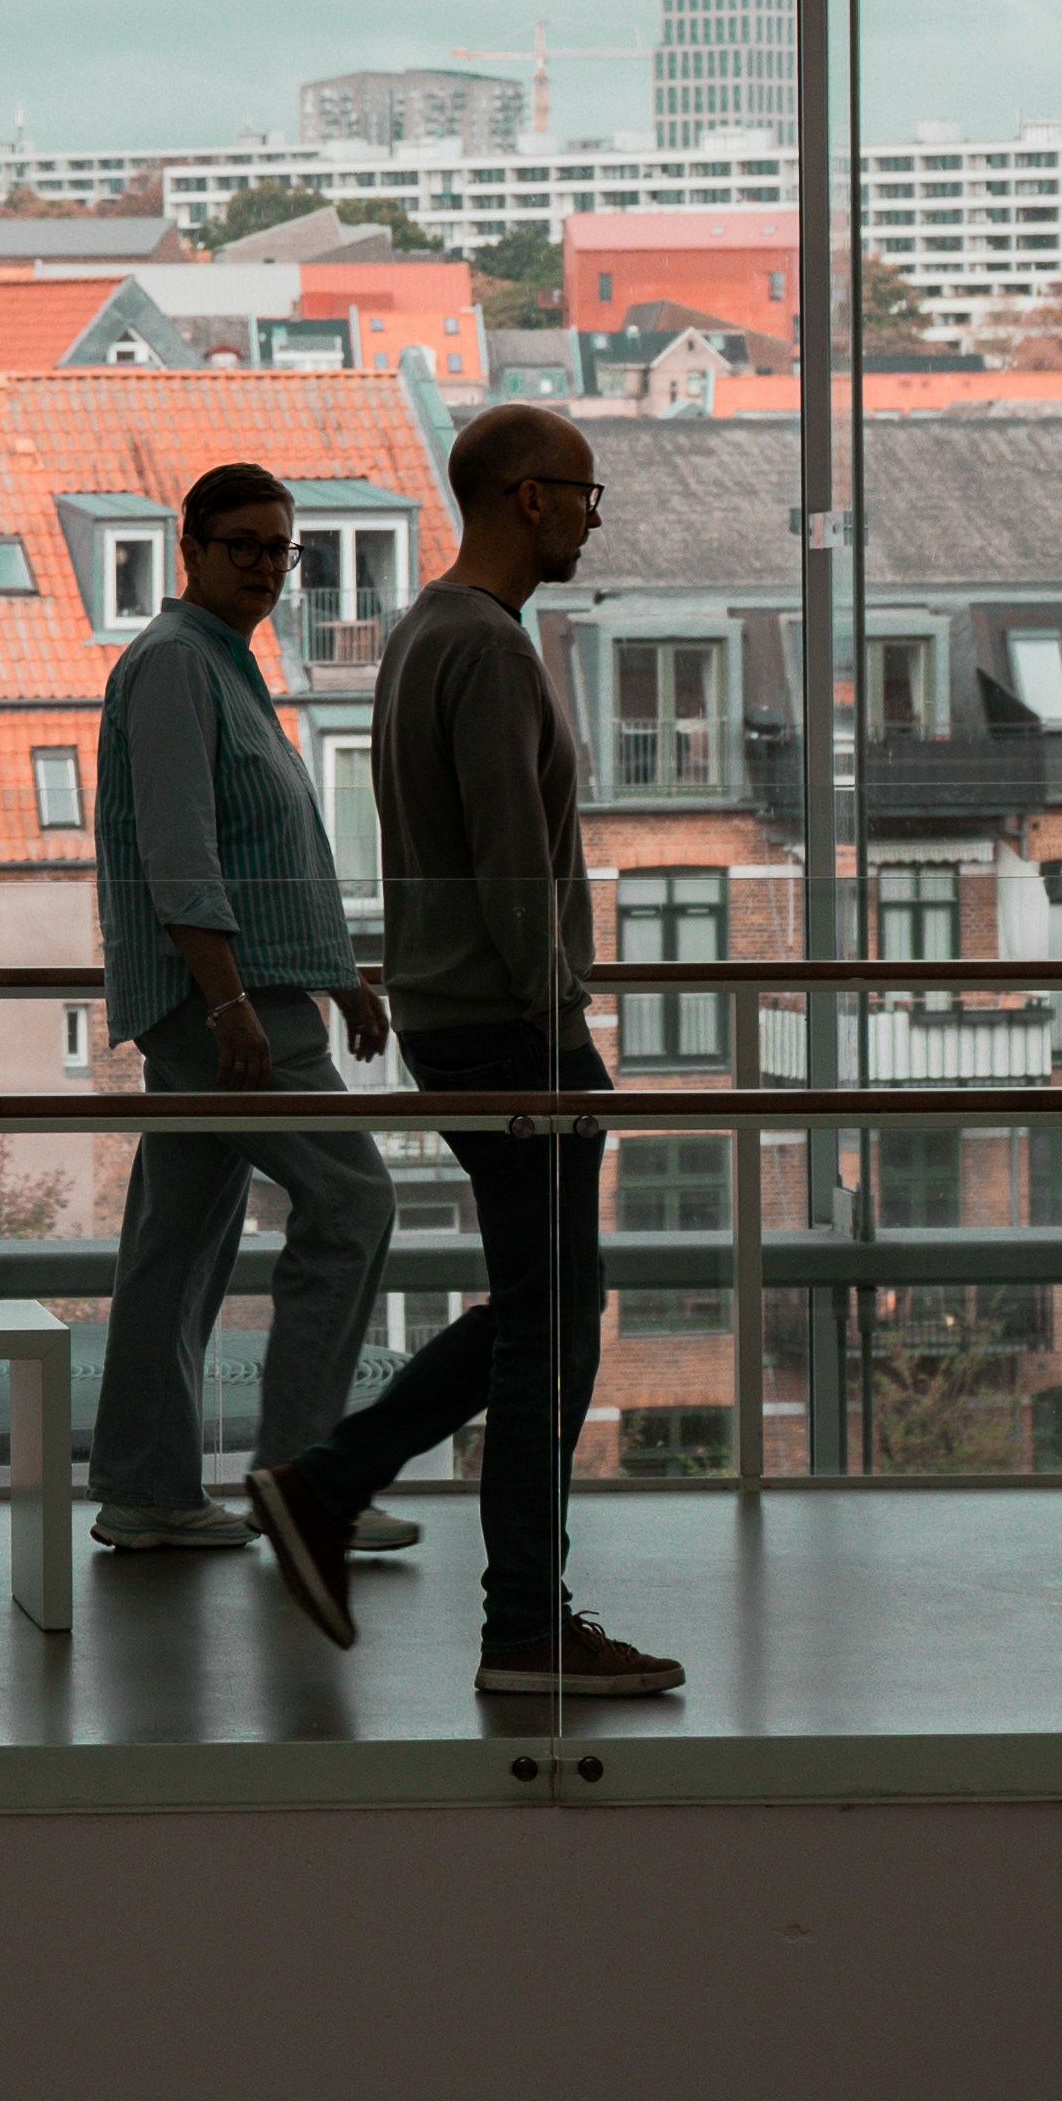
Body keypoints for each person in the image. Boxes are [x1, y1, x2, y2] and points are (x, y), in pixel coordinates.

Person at [243, 403, 683, 1700]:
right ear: (528, 497)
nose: (593, 518)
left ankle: (358, 1507)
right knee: (552, 1326)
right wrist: (560, 1028)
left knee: (544, 1311)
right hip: (511, 1031)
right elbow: (509, 868)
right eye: (584, 495)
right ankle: (507, 1616)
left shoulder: (425, 632)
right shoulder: (487, 649)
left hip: (460, 1021)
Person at [86, 462, 411, 1561]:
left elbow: (274, 854)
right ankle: (305, 1482)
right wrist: (227, 1003)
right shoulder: (178, 663)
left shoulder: (224, 660)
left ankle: (147, 1490)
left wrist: (342, 976)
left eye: (283, 550)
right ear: (190, 550)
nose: (268, 567)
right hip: (224, 1010)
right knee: (354, 1201)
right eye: (245, 546)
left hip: (241, 1000)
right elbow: (180, 852)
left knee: (177, 1247)